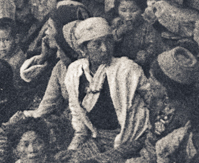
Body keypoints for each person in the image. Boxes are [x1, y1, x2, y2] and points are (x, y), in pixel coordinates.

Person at [62, 18, 149, 161]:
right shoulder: (74, 72)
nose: (105, 48)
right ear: (84, 49)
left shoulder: (127, 68)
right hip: (99, 137)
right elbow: (78, 116)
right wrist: (73, 148)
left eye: (108, 41)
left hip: (131, 137)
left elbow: (152, 98)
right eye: (97, 44)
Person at [110, 0, 162, 70]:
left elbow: (153, 49)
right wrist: (119, 32)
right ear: (117, 9)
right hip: (117, 64)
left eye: (134, 10)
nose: (128, 15)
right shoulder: (117, 23)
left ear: (142, 9)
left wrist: (145, 55)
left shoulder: (148, 28)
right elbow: (109, 40)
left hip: (137, 67)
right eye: (123, 10)